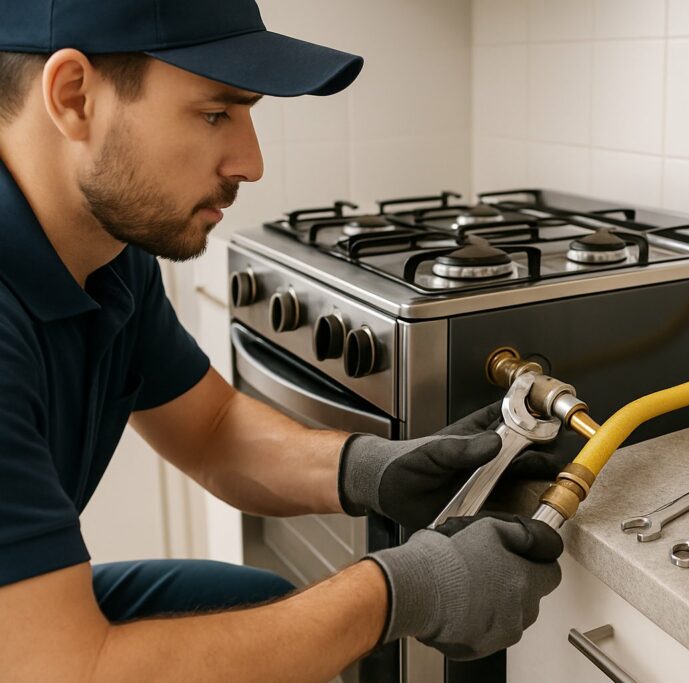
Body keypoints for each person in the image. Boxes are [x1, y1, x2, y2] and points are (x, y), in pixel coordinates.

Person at [0, 1, 563, 680]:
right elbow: (66, 672)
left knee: (268, 614)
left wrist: (371, 469)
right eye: (215, 113)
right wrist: (400, 590)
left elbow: (210, 428)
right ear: (74, 96)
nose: (251, 161)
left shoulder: (107, 255)